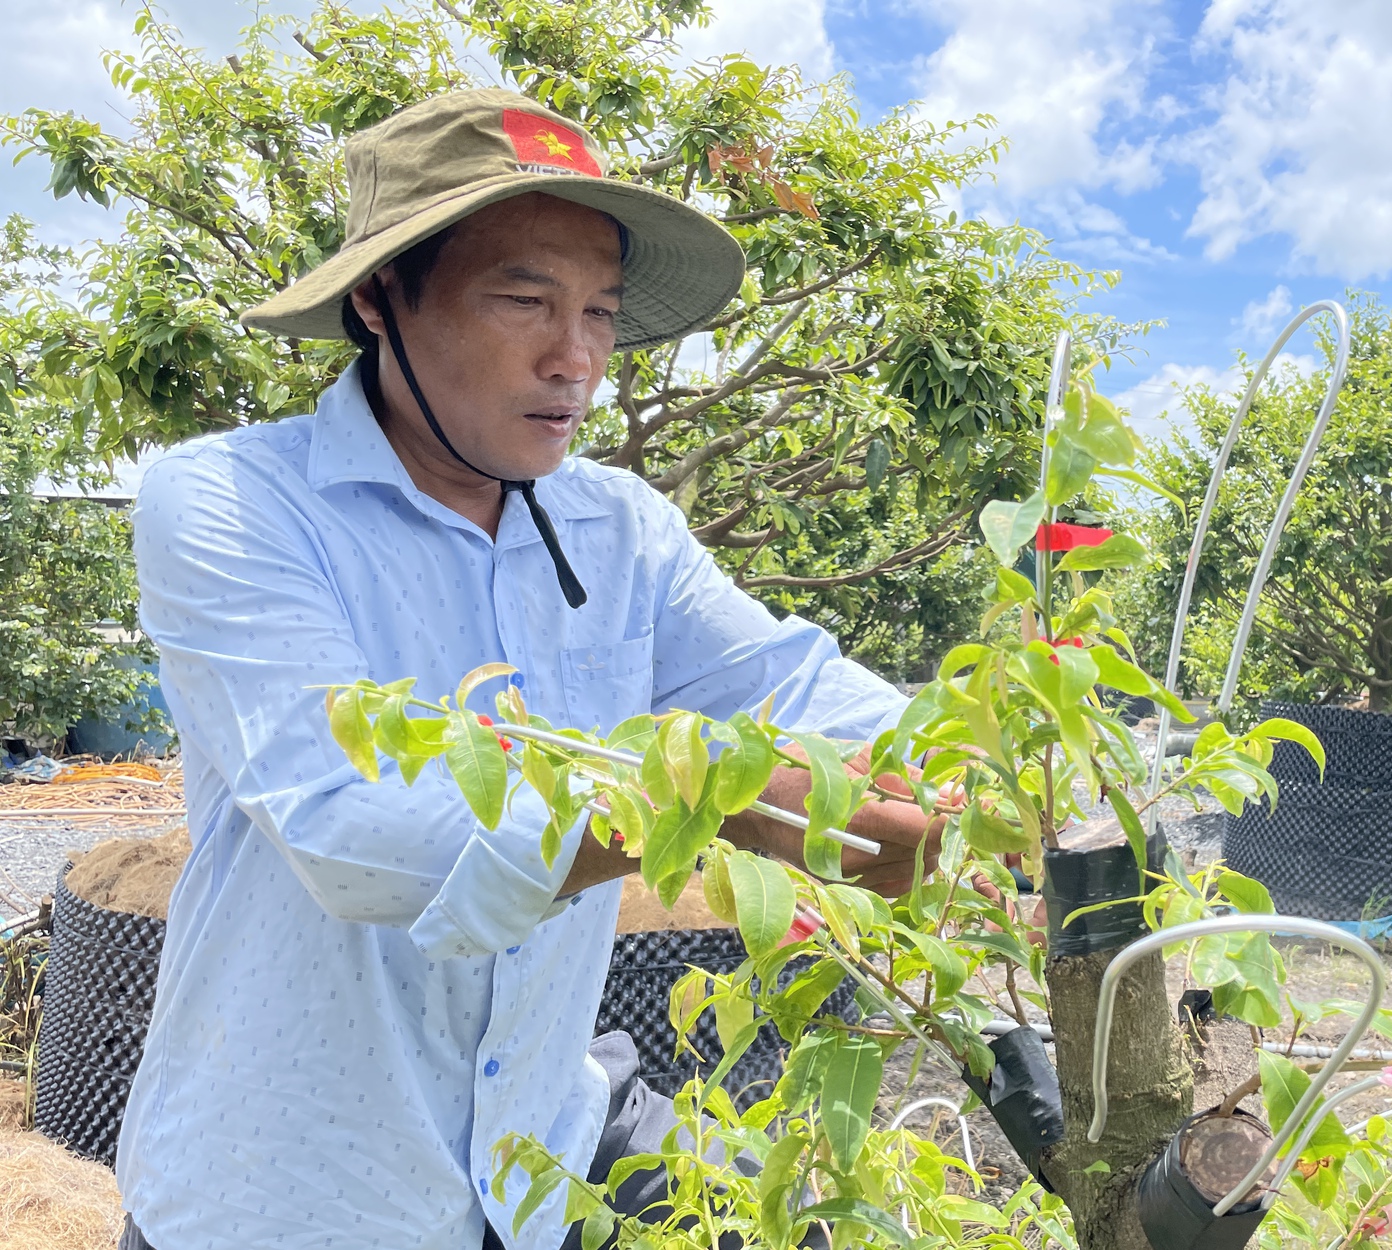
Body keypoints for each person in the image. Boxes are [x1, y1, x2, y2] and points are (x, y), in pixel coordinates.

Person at [117, 87, 935, 1250]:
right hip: (290, 1184)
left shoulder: (619, 526)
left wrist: (969, 768)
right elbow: (353, 827)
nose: (577, 357)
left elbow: (794, 684)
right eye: (522, 299)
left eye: (601, 312)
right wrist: (720, 800)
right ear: (377, 296)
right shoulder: (232, 501)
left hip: (536, 1162)